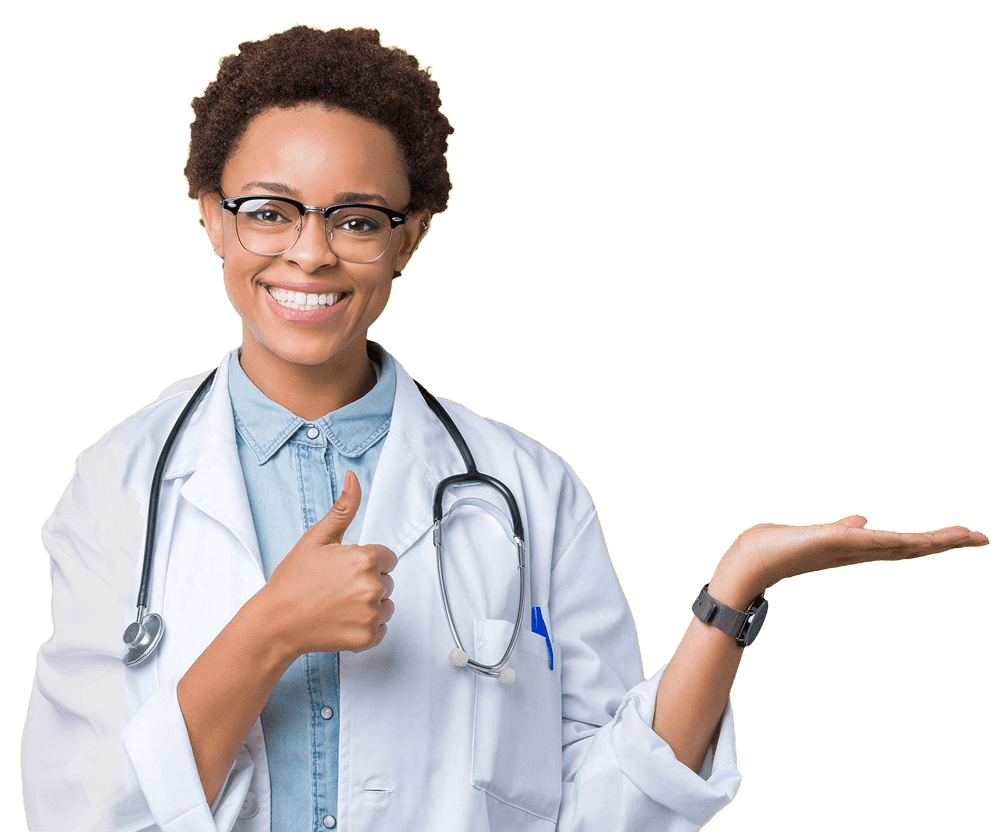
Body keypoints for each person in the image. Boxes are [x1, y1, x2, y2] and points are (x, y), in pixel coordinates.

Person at [21, 23, 989, 832]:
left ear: (412, 234)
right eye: (269, 211)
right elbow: (80, 805)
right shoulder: (120, 480)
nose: (309, 254)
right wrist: (269, 629)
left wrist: (731, 596)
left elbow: (605, 808)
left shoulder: (528, 488)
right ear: (212, 217)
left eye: (358, 219)